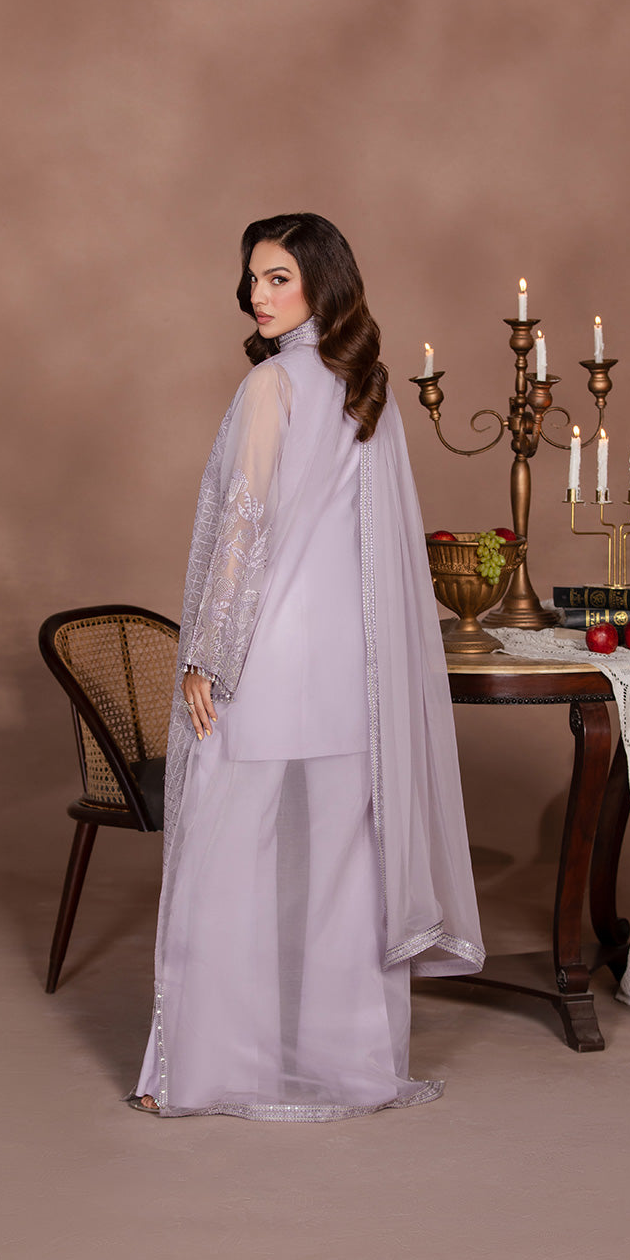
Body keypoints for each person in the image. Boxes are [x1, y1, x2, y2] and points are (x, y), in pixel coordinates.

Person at [128, 213, 484, 1121]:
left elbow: (243, 533)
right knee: (343, 877)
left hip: (266, 656)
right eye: (254, 278)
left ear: (322, 282)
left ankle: (203, 1071)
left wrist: (208, 656)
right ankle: (353, 1070)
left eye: (278, 277)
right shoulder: (367, 390)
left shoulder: (271, 384)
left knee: (224, 861)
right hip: (350, 669)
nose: (258, 294)